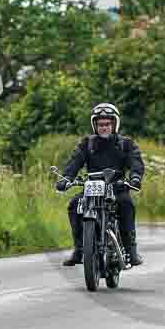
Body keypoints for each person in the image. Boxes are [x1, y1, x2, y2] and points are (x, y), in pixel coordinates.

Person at [55, 103, 145, 267]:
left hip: (116, 187)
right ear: (95, 125)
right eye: (100, 124)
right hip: (92, 188)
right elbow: (74, 162)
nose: (104, 127)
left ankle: (131, 251)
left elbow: (135, 162)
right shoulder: (87, 143)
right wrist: (66, 178)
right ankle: (79, 249)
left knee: (126, 204)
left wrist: (135, 178)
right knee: (74, 205)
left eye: (107, 124)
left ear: (114, 124)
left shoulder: (126, 144)